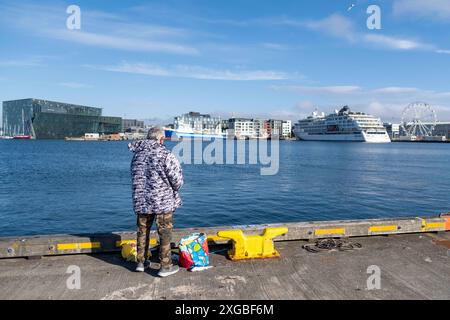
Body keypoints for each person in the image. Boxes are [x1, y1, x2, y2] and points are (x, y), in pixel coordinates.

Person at [128, 127, 183, 277]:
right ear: (161, 139)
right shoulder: (165, 154)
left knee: (142, 230)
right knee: (164, 232)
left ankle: (141, 262)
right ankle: (165, 266)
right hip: (162, 201)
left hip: (141, 200)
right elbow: (177, 181)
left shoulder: (137, 155)